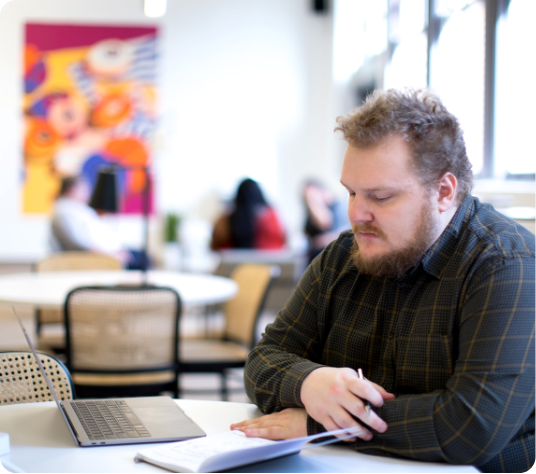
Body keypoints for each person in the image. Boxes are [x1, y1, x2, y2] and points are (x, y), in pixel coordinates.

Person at [231, 89, 536, 473]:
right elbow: (263, 360)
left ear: (443, 192)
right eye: (351, 192)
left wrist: (319, 424)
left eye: (380, 196)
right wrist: (310, 383)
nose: (356, 214)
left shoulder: (507, 266)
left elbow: (470, 426)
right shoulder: (342, 256)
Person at [51, 176, 147, 269]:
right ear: (72, 189)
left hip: (108, 251)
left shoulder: (76, 208)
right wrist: (111, 255)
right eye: (84, 190)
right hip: (95, 257)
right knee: (143, 259)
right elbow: (78, 245)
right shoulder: (64, 212)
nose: (88, 193)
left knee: (142, 256)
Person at [211, 178, 286, 251]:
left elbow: (214, 247)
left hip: (235, 262)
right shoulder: (272, 218)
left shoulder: (224, 220)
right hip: (264, 262)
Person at [303, 179, 350, 263]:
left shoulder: (336, 206)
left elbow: (325, 223)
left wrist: (313, 202)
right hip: (313, 257)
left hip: (329, 256)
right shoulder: (310, 212)